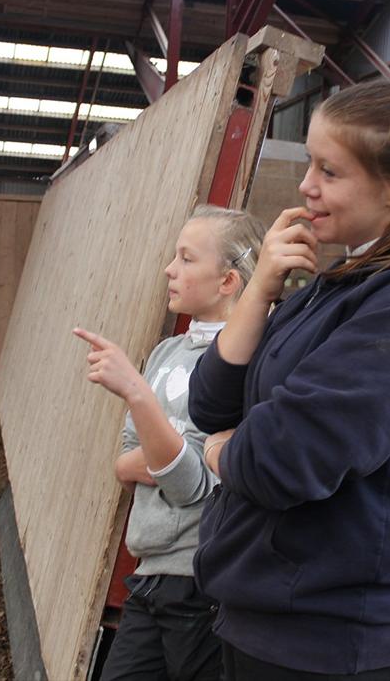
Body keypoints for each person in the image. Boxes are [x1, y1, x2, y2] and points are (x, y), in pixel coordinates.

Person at [188, 81, 390, 680]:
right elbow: (210, 401)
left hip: (328, 637)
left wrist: (221, 454)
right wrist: (262, 288)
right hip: (270, 605)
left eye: (329, 169)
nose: (306, 185)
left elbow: (282, 457)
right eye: (308, 162)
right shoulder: (343, 280)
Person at [74, 204, 265, 681]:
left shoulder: (245, 366)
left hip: (201, 585)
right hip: (149, 574)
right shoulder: (167, 352)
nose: (169, 269)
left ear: (228, 282)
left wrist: (138, 395)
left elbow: (191, 486)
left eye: (186, 258)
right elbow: (124, 460)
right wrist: (174, 446)